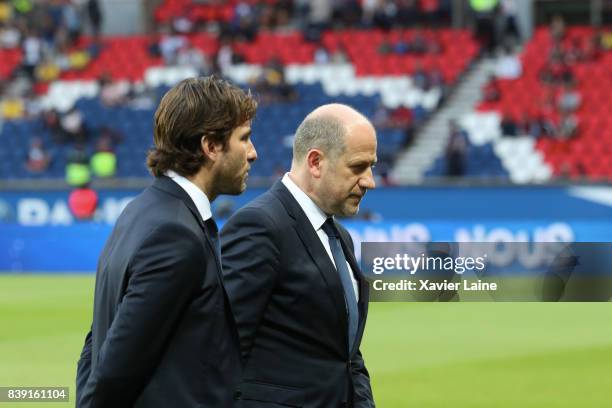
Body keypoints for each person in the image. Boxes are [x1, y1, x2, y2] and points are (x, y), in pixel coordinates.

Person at [76, 76, 258, 408]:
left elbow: (94, 347)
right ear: (211, 146)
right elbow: (114, 367)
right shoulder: (175, 235)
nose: (253, 153)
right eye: (244, 139)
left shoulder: (140, 212)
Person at [221, 103, 376, 407]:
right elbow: (220, 347)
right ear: (315, 162)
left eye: (372, 166)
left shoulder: (338, 235)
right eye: (358, 167)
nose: (369, 181)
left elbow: (345, 352)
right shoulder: (260, 226)